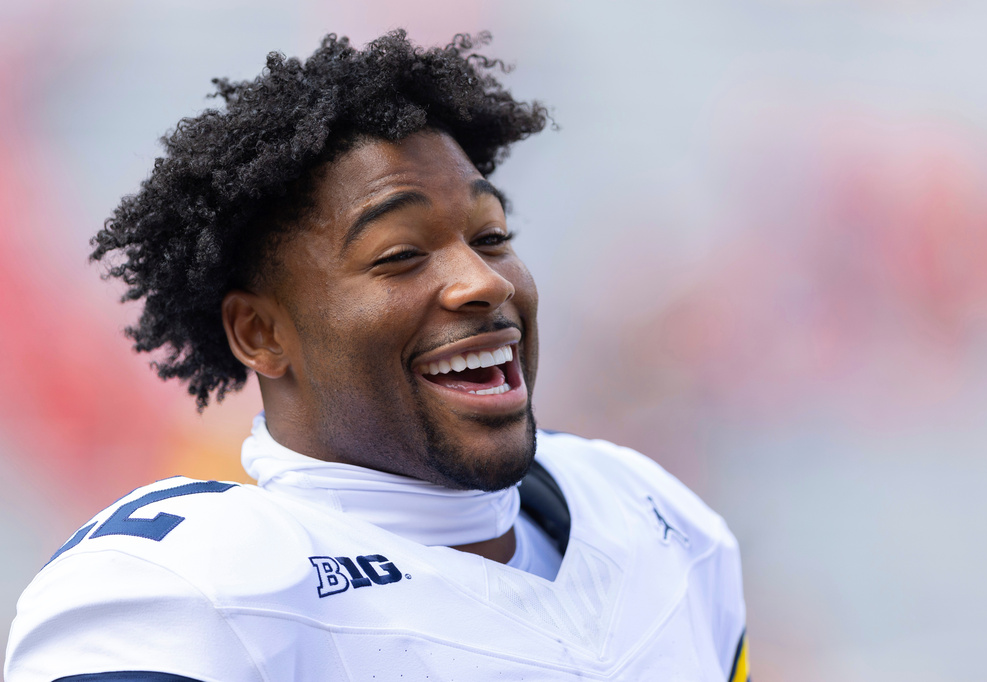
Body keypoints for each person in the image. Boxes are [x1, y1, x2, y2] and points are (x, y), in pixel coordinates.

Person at [5, 31, 750, 682]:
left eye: (491, 237)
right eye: (399, 255)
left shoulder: (653, 516)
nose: (484, 281)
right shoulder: (181, 591)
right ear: (261, 333)